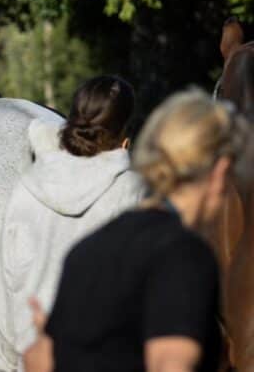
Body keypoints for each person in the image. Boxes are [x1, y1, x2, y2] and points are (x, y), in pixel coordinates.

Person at [24, 89, 249, 372]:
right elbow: (171, 363)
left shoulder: (88, 249)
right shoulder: (184, 254)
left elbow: (39, 361)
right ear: (220, 171)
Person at [0, 76, 145, 370]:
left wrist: (10, 361)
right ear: (125, 131)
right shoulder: (134, 190)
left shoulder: (27, 186)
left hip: (32, 355)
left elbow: (7, 282)